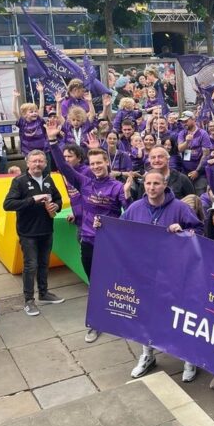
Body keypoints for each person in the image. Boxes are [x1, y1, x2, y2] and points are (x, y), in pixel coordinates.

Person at [47, 119, 128, 343]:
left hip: (110, 244)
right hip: (88, 242)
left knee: (113, 283)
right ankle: (95, 323)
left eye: (99, 163)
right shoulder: (83, 182)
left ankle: (119, 318)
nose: (96, 166)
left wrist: (116, 220)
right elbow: (63, 167)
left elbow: (128, 214)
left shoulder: (117, 187)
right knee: (94, 285)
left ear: (107, 163)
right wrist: (53, 141)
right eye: (92, 163)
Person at [122, 171, 202, 379]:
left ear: (164, 184)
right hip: (145, 272)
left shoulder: (180, 208)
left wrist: (183, 229)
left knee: (180, 314)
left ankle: (188, 357)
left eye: (156, 183)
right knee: (146, 315)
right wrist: (101, 226)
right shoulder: (135, 208)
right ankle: (148, 354)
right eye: (148, 183)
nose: (151, 187)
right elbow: (119, 229)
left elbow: (199, 233)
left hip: (175, 273)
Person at [2, 150, 65, 316]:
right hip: (28, 232)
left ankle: (44, 293)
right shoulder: (19, 181)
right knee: (31, 266)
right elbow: (8, 204)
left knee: (44, 263)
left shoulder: (48, 179)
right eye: (34, 161)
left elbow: (58, 199)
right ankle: (29, 300)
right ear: (27, 162)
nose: (37, 164)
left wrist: (56, 206)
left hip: (46, 229)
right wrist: (33, 200)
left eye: (40, 161)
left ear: (45, 163)